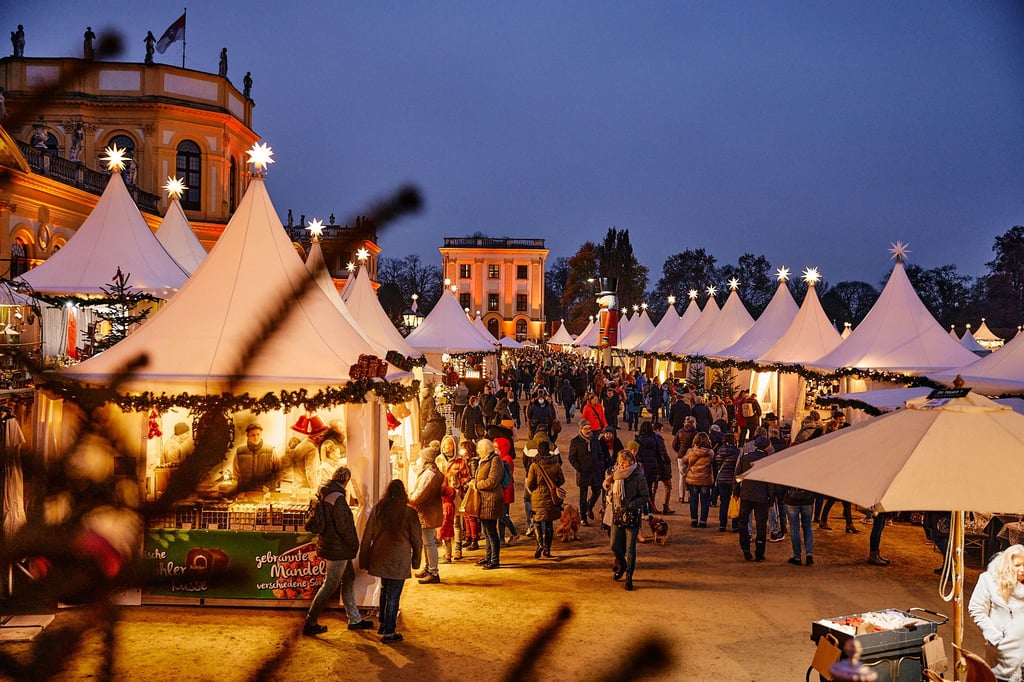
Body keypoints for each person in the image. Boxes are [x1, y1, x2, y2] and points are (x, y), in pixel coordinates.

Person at [303, 466, 374, 635]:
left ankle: (354, 618)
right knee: (330, 584)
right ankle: (310, 621)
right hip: (338, 548)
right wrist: (354, 544)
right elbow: (345, 527)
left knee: (348, 578)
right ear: (346, 481)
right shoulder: (338, 499)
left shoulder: (325, 492)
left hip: (331, 544)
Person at [358, 479, 422, 644]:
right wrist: (416, 560)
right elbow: (417, 540)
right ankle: (389, 631)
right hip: (399, 558)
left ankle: (382, 624)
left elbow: (367, 535)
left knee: (385, 590)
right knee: (394, 595)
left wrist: (364, 558)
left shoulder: (379, 509)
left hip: (380, 555)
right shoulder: (409, 513)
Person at [969, 545, 1024, 681]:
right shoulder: (989, 580)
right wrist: (995, 637)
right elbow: (976, 609)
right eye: (1017, 565)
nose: (1022, 570)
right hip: (1002, 653)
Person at [606, 449, 650, 591]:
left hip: (631, 515)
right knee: (614, 544)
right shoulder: (615, 474)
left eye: (624, 462)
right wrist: (608, 486)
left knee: (630, 548)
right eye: (620, 462)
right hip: (617, 513)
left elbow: (645, 497)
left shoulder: (638, 476)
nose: (621, 465)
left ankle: (629, 577)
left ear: (631, 462)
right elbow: (609, 489)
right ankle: (623, 564)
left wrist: (631, 505)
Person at [408, 445, 443, 584]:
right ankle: (428, 568)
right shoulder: (430, 472)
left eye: (421, 457)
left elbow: (419, 495)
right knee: (427, 542)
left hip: (427, 511)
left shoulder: (430, 474)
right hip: (428, 511)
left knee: (429, 543)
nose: (419, 460)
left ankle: (433, 572)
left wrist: (409, 497)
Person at [735, 436, 773, 562]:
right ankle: (759, 552)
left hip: (746, 494)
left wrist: (736, 492)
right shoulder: (768, 460)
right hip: (762, 497)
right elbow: (770, 482)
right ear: (766, 447)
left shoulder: (745, 458)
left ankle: (745, 547)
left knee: (743, 522)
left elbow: (738, 476)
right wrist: (771, 499)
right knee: (761, 525)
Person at [525, 439, 564, 559]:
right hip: (551, 496)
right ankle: (547, 549)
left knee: (536, 520)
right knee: (549, 523)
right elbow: (561, 480)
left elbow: (530, 483)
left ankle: (539, 544)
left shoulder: (534, 465)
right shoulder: (556, 464)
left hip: (538, 495)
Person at [474, 439, 504, 569]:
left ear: (485, 450)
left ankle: (495, 560)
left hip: (491, 499)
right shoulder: (484, 460)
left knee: (491, 531)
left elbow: (492, 480)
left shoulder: (495, 460)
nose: (478, 451)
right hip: (484, 499)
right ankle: (488, 557)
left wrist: (477, 485)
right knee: (486, 531)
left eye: (479, 449)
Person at [568, 421, 603, 524]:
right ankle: (583, 517)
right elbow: (571, 457)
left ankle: (589, 506)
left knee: (597, 491)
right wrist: (579, 468)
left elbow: (600, 453)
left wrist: (600, 465)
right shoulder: (575, 441)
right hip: (583, 472)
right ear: (581, 429)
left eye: (589, 428)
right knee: (583, 495)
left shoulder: (595, 440)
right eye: (586, 429)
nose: (588, 431)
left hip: (595, 471)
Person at [231, 423, 278, 492]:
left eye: (258, 434)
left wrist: (270, 485)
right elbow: (236, 473)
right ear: (248, 436)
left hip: (266, 492)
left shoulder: (270, 450)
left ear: (261, 435)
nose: (256, 437)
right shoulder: (240, 451)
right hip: (245, 491)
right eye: (253, 435)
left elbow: (278, 470)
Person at [682, 432, 715, 528]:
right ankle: (703, 521)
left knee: (693, 499)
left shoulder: (690, 451)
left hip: (693, 479)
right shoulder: (710, 453)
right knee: (705, 501)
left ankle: (694, 519)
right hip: (705, 479)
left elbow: (684, 460)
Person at [494, 434, 519, 546]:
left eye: (496, 446)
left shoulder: (506, 460)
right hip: (504, 490)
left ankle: (514, 533)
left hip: (505, 491)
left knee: (503, 515)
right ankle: (502, 539)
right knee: (502, 515)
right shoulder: (502, 458)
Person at [713, 432, 741, 532]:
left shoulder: (719, 451)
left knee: (723, 503)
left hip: (721, 479)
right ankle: (735, 525)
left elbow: (717, 464)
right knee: (734, 501)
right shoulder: (736, 452)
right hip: (732, 480)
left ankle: (722, 524)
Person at [783, 483, 815, 566]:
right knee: (808, 526)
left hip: (791, 500)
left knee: (794, 528)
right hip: (807, 499)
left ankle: (797, 556)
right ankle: (809, 554)